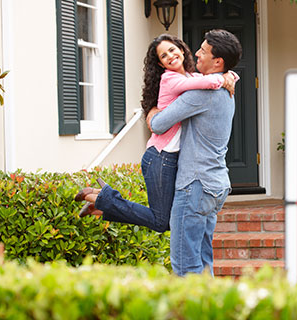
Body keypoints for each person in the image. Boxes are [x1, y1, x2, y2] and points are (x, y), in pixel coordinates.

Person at [74, 33, 237, 234]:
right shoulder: (171, 78)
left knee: (165, 220)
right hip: (161, 157)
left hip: (171, 159)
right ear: (161, 64)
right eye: (163, 56)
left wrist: (230, 75)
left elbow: (201, 81)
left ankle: (101, 205)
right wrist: (222, 77)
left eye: (172, 49)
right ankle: (104, 199)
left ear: (181, 49)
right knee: (162, 222)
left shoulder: (192, 77)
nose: (170, 56)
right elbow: (203, 84)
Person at [146, 29, 242, 276]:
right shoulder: (224, 87)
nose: (196, 53)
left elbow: (158, 124)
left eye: (203, 50)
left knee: (185, 266)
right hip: (216, 185)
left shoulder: (201, 94)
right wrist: (229, 75)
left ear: (217, 62)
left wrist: (152, 110)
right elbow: (199, 78)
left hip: (195, 185)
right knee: (203, 261)